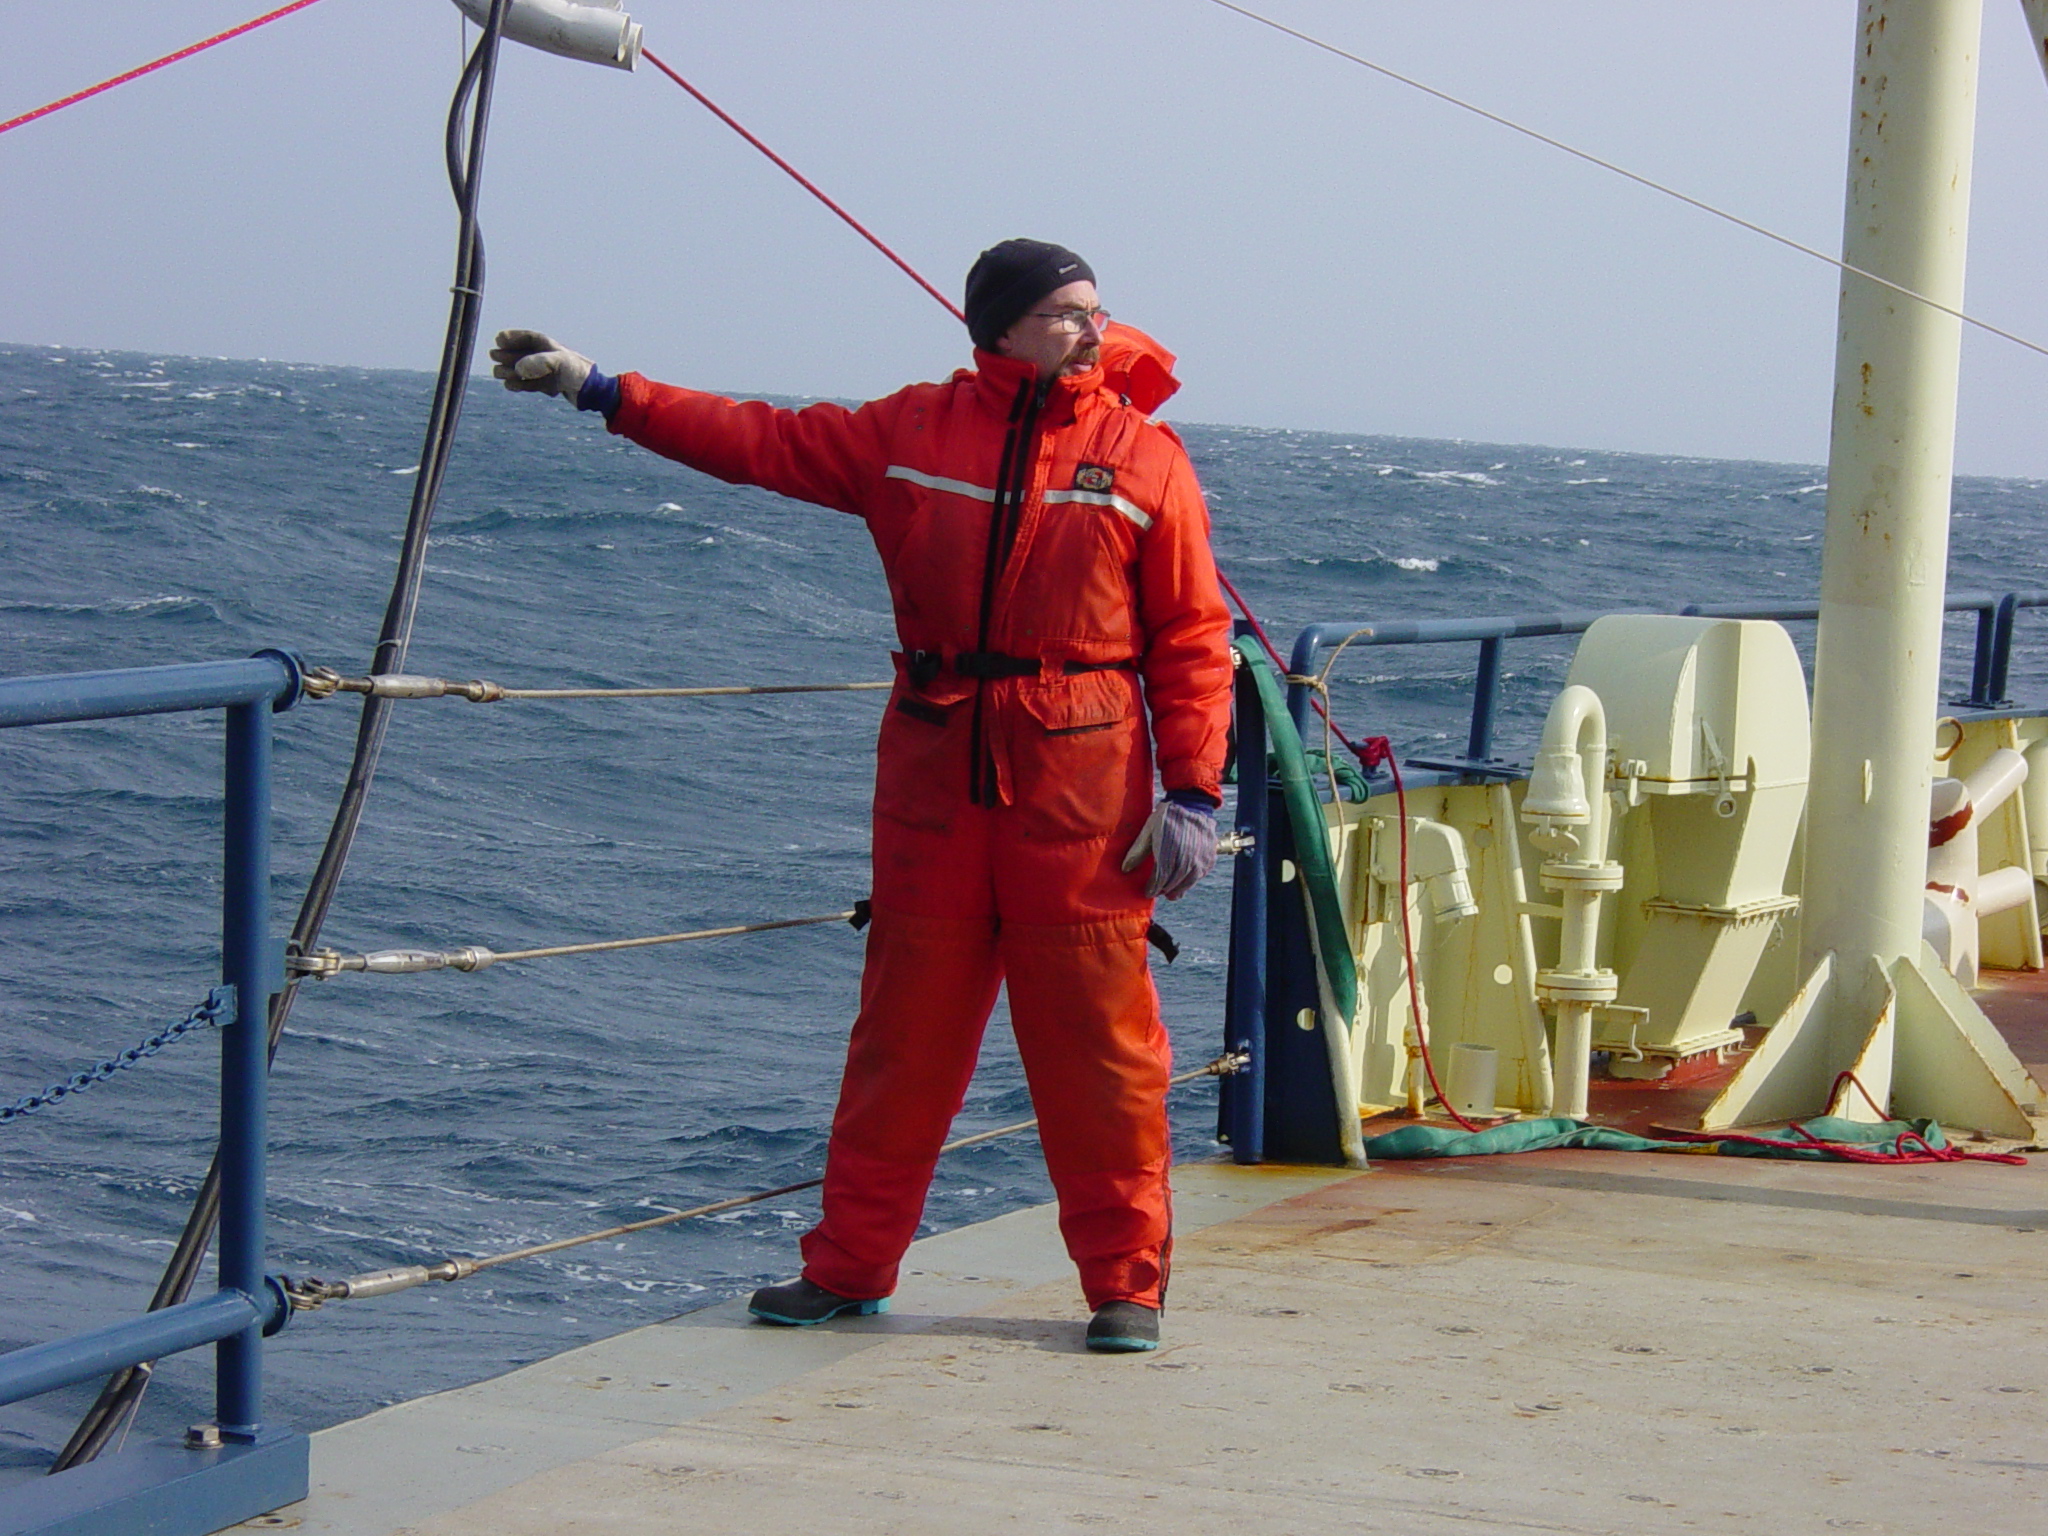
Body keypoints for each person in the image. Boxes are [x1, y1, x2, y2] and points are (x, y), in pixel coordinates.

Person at [492, 239, 1232, 1353]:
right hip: (934, 783)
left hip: (1083, 794)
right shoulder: (910, 432)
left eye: (1094, 309)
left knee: (1103, 1055)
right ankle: (846, 1269)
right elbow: (759, 441)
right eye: (1066, 312)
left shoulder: (1142, 457)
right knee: (901, 1047)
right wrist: (601, 389)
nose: (1092, 328)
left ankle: (1125, 1286)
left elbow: (1190, 637)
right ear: (1002, 325)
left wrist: (1193, 792)